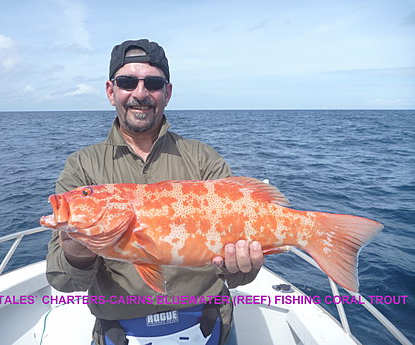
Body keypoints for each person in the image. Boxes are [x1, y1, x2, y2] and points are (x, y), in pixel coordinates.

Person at [46, 38, 264, 345]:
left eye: (153, 83)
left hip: (210, 319)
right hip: (120, 328)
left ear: (167, 92)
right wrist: (76, 255)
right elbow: (63, 281)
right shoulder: (82, 166)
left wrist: (241, 268)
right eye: (127, 82)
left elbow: (239, 275)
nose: (140, 93)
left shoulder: (203, 159)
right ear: (111, 91)